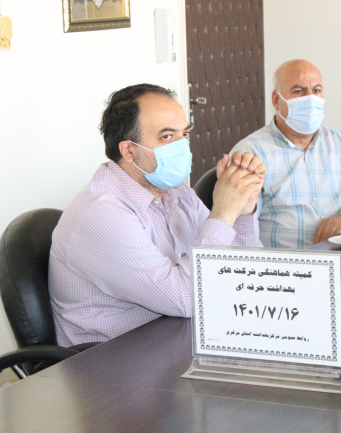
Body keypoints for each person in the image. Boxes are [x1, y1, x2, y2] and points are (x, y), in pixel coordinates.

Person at [49, 83, 266, 347]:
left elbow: (245, 274)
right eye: (167, 137)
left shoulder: (175, 191)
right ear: (129, 151)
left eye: (184, 134)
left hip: (178, 338)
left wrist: (243, 207)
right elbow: (187, 299)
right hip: (115, 360)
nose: (182, 146)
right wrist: (223, 212)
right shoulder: (102, 212)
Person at [231, 59, 341, 249]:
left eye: (317, 90)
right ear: (276, 100)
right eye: (298, 91)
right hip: (285, 263)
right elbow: (240, 231)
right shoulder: (250, 153)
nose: (310, 99)